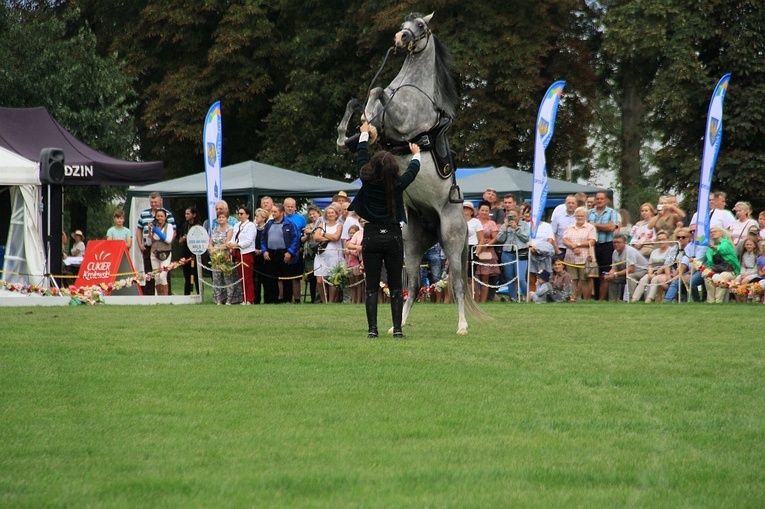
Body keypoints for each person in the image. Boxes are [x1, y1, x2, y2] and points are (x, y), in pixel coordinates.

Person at [348, 121, 421, 338]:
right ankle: (397, 330)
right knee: (396, 285)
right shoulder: (397, 184)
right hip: (393, 235)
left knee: (371, 286)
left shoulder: (367, 180)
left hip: (370, 235)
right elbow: (413, 172)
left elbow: (362, 157)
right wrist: (416, 154)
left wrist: (363, 135)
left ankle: (372, 330)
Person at [136, 192, 175, 296]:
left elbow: (172, 233)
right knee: (151, 274)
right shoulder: (144, 214)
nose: (154, 204)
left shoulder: (168, 215)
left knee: (164, 274)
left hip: (164, 249)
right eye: (151, 202)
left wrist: (168, 244)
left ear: (160, 201)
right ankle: (150, 296)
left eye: (155, 202)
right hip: (149, 248)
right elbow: (139, 230)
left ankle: (166, 296)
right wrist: (140, 243)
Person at [261, 203, 300, 304]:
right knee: (271, 278)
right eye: (272, 211)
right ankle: (273, 299)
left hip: (284, 253)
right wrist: (265, 251)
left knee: (286, 277)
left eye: (275, 211)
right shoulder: (269, 224)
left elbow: (295, 239)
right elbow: (263, 239)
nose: (273, 213)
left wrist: (290, 252)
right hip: (271, 253)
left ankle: (287, 299)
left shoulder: (289, 224)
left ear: (281, 212)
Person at [587, 191, 619, 300]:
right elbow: (586, 227)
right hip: (593, 246)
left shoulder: (611, 212)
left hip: (607, 245)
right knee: (593, 273)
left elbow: (611, 228)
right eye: (598, 199)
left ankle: (602, 299)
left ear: (606, 200)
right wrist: (603, 226)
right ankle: (595, 298)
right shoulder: (589, 213)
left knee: (604, 273)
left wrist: (594, 225)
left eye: (602, 199)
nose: (599, 201)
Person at [561, 206, 597, 301]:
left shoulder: (590, 227)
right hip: (570, 258)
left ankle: (586, 300)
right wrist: (572, 246)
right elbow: (564, 239)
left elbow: (592, 241)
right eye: (578, 216)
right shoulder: (569, 227)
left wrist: (577, 245)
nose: (579, 217)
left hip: (585, 258)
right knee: (573, 280)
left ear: (586, 216)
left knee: (585, 280)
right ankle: (574, 298)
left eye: (582, 216)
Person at [631, 229, 675, 303]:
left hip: (665, 272)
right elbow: (650, 264)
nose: (661, 241)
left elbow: (667, 264)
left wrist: (655, 274)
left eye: (663, 239)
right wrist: (650, 273)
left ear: (668, 239)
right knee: (643, 279)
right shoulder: (654, 251)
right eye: (659, 239)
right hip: (653, 271)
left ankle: (649, 299)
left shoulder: (671, 250)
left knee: (655, 280)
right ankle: (634, 299)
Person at [496, 205, 529, 301]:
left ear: (519, 216)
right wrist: (506, 228)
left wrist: (517, 229)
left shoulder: (524, 225)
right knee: (510, 277)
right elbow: (500, 239)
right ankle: (513, 298)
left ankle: (527, 296)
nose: (512, 218)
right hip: (507, 253)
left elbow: (526, 238)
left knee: (521, 278)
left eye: (514, 216)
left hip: (520, 253)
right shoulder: (504, 225)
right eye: (510, 216)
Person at [602, 234, 649, 302]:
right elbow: (614, 268)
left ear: (624, 243)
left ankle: (632, 300)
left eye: (618, 242)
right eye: (614, 242)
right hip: (628, 272)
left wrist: (615, 274)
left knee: (630, 276)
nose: (616, 244)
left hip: (642, 271)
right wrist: (610, 274)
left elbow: (631, 270)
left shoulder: (630, 251)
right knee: (612, 279)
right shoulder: (615, 252)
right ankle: (612, 301)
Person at [312, 204, 344, 303]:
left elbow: (336, 237)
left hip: (334, 255)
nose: (330, 214)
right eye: (328, 213)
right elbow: (316, 237)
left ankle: (330, 302)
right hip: (321, 255)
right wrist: (330, 237)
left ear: (336, 214)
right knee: (320, 281)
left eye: (332, 213)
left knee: (332, 280)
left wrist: (324, 234)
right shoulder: (322, 225)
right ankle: (324, 300)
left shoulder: (339, 225)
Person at [227, 206, 256, 304]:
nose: (240, 215)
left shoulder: (250, 225)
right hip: (238, 252)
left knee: (247, 277)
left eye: (242, 214)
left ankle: (250, 299)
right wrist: (231, 243)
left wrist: (237, 245)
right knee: (241, 276)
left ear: (247, 215)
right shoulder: (237, 225)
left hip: (246, 253)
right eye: (239, 213)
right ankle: (244, 298)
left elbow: (249, 241)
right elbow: (234, 237)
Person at [704, 225, 740, 303]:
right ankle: (710, 301)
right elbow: (709, 262)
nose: (713, 233)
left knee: (722, 276)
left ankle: (718, 301)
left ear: (721, 233)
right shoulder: (710, 249)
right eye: (711, 232)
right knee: (707, 276)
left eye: (715, 231)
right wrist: (708, 271)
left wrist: (712, 246)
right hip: (715, 269)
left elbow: (722, 249)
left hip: (730, 270)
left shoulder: (726, 243)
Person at [474, 200, 500, 303]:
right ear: (478, 210)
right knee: (473, 278)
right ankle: (475, 299)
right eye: (482, 210)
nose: (484, 212)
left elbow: (495, 237)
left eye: (486, 210)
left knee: (485, 279)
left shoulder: (492, 223)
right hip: (474, 250)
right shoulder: (474, 221)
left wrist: (488, 244)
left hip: (487, 253)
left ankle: (483, 301)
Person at [283, 197, 307, 304]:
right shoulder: (279, 217)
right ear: (284, 207)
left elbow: (304, 233)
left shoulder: (301, 219)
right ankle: (285, 298)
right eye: (288, 206)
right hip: (282, 250)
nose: (290, 208)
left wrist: (302, 245)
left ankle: (297, 299)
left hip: (297, 250)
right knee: (284, 277)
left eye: (292, 206)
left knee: (296, 277)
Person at [208, 211, 234, 304]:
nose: (221, 219)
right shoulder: (215, 229)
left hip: (225, 255)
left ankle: (229, 299)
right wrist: (211, 248)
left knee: (227, 278)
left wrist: (216, 249)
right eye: (219, 217)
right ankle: (218, 299)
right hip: (215, 257)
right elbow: (210, 241)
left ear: (227, 218)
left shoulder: (229, 229)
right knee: (216, 278)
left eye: (223, 217)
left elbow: (227, 243)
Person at [664, 228, 696, 303]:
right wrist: (668, 274)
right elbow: (667, 263)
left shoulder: (691, 248)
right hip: (674, 272)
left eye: (683, 237)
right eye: (678, 237)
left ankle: (667, 300)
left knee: (676, 281)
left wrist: (676, 274)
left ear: (689, 238)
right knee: (658, 280)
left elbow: (684, 264)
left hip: (689, 271)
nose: (681, 239)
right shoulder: (674, 249)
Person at [149, 209, 174, 295]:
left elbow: (168, 240)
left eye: (161, 216)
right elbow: (148, 242)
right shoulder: (152, 227)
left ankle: (164, 297)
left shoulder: (169, 226)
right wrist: (149, 230)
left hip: (165, 253)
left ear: (165, 217)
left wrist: (158, 232)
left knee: (163, 275)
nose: (160, 218)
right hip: (154, 253)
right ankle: (158, 297)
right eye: (158, 216)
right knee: (156, 277)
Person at [177, 206, 202, 295]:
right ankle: (186, 295)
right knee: (187, 276)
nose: (186, 216)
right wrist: (184, 238)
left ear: (194, 215)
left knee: (196, 276)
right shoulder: (185, 225)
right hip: (186, 252)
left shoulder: (198, 226)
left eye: (188, 214)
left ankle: (200, 294)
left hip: (196, 253)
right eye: (185, 214)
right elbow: (179, 241)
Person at [463, 201, 485, 299]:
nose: (464, 210)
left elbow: (481, 239)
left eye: (467, 208)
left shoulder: (476, 222)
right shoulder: (458, 221)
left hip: (472, 248)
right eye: (463, 208)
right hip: (461, 248)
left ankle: (475, 298)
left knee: (470, 276)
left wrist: (477, 252)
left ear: (472, 211)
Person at [730, 237, 760, 302]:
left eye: (750, 244)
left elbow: (756, 268)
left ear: (754, 245)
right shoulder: (744, 254)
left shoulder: (757, 255)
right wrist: (742, 274)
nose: (748, 246)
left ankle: (745, 299)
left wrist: (747, 274)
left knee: (744, 282)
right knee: (735, 283)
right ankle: (738, 301)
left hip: (754, 273)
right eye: (747, 244)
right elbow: (743, 266)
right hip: (745, 272)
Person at [304, 205, 322, 303]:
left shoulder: (322, 224)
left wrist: (311, 232)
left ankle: (320, 299)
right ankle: (313, 299)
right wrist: (306, 235)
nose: (312, 216)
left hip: (318, 253)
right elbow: (303, 239)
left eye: (313, 213)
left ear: (318, 213)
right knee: (311, 279)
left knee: (319, 277)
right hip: (309, 255)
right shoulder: (308, 225)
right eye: (310, 214)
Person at [551, 195, 577, 259]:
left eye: (573, 203)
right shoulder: (557, 216)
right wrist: (556, 249)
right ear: (565, 203)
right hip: (561, 249)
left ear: (576, 204)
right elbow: (553, 233)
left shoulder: (579, 217)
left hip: (576, 249)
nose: (571, 205)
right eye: (569, 203)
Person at [252, 208, 269, 304]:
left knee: (265, 279)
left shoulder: (267, 229)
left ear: (263, 218)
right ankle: (256, 299)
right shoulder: (254, 229)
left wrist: (263, 250)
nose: (256, 218)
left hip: (264, 256)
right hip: (255, 256)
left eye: (257, 216)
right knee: (256, 279)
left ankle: (267, 299)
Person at [345, 222, 364, 304]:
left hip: (356, 264)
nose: (352, 234)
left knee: (358, 284)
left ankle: (359, 300)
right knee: (352, 284)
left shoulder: (357, 243)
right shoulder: (347, 242)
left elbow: (357, 254)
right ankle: (353, 300)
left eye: (353, 233)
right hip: (349, 264)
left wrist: (350, 253)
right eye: (350, 233)